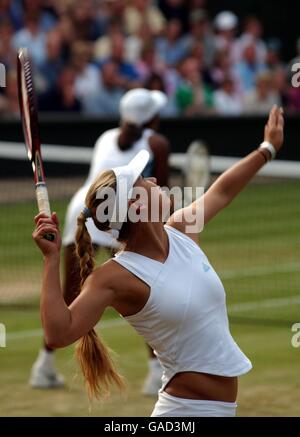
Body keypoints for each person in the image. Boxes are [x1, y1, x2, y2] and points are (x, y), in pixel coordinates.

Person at [32, 106, 284, 416]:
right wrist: (51, 259)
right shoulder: (115, 276)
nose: (152, 178)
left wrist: (267, 149)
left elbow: (223, 190)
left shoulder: (181, 229)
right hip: (184, 412)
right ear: (136, 205)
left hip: (219, 409)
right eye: (142, 180)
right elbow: (59, 333)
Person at [29, 88, 170, 396]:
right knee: (147, 290)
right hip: (119, 213)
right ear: (152, 118)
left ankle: (43, 365)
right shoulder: (157, 143)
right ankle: (157, 372)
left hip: (87, 210)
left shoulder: (105, 136)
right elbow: (164, 195)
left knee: (70, 293)